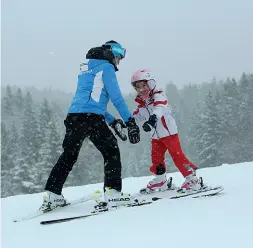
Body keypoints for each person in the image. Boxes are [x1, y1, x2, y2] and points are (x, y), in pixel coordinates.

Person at [39, 41, 140, 211]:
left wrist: (111, 120)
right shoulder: (106, 68)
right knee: (111, 151)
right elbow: (117, 98)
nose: (118, 61)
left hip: (74, 117)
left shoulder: (86, 69)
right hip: (91, 118)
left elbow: (89, 101)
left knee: (69, 155)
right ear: (110, 52)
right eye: (118, 56)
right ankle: (113, 193)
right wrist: (131, 122)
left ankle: (52, 195)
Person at [130, 69, 202, 193]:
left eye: (143, 85)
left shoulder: (158, 95)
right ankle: (160, 179)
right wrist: (126, 122)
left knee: (177, 155)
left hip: (169, 133)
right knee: (156, 158)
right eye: (138, 87)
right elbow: (137, 116)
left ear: (150, 84)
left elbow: (160, 108)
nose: (141, 89)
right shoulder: (142, 103)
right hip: (155, 136)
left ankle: (192, 178)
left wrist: (152, 120)